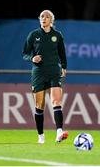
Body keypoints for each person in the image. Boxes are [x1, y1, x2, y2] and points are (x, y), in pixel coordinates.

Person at [22, 9, 68, 144]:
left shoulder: (57, 35)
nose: (44, 18)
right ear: (39, 19)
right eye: (42, 16)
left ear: (51, 20)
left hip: (54, 71)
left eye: (47, 17)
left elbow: (62, 53)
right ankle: (41, 136)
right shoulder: (33, 35)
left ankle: (59, 132)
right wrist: (32, 58)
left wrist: (64, 66)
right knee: (39, 105)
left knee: (56, 102)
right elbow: (25, 53)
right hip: (38, 73)